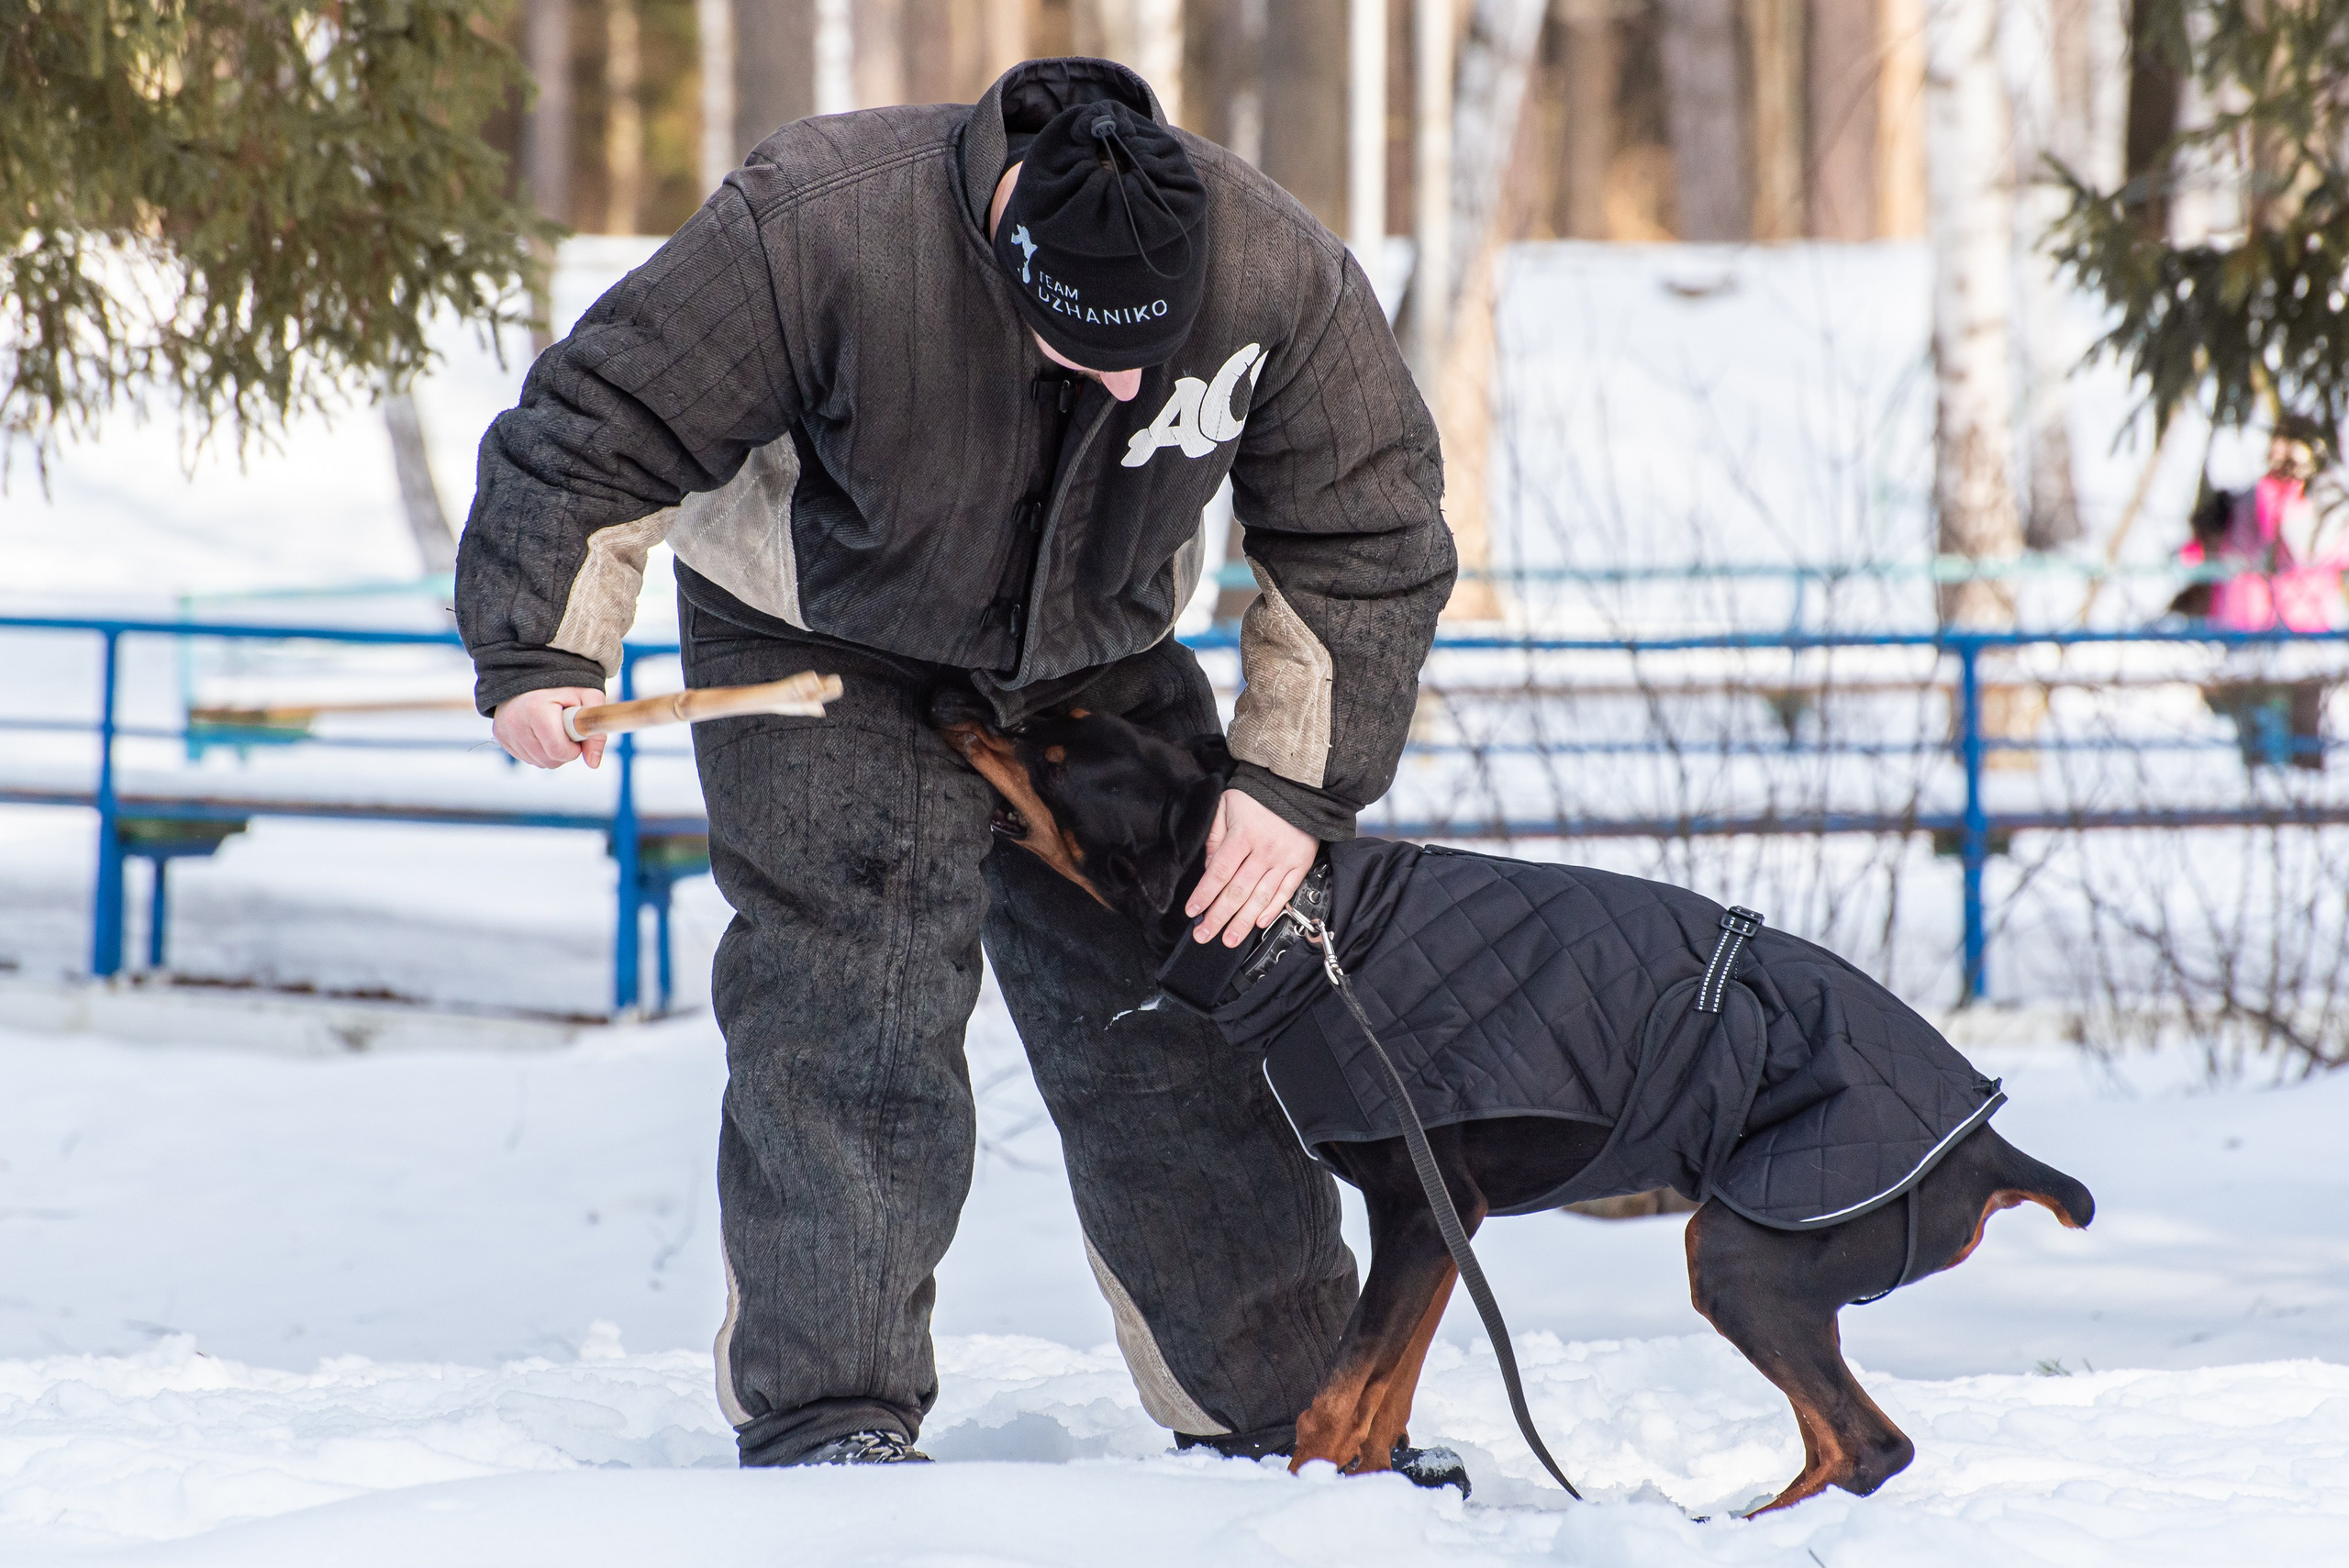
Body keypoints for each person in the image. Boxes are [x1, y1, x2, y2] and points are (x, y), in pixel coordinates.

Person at [455, 57, 1453, 1467]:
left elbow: (1367, 532)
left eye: (1142, 358)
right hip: (813, 629)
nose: (1121, 380)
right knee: (850, 998)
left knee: (1180, 997)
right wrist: (544, 646)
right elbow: (600, 423)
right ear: (1007, 242)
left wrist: (1292, 787)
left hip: (1095, 651)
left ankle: (1283, 1397)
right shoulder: (820, 222)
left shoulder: (1276, 271)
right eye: (1086, 347)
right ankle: (832, 1411)